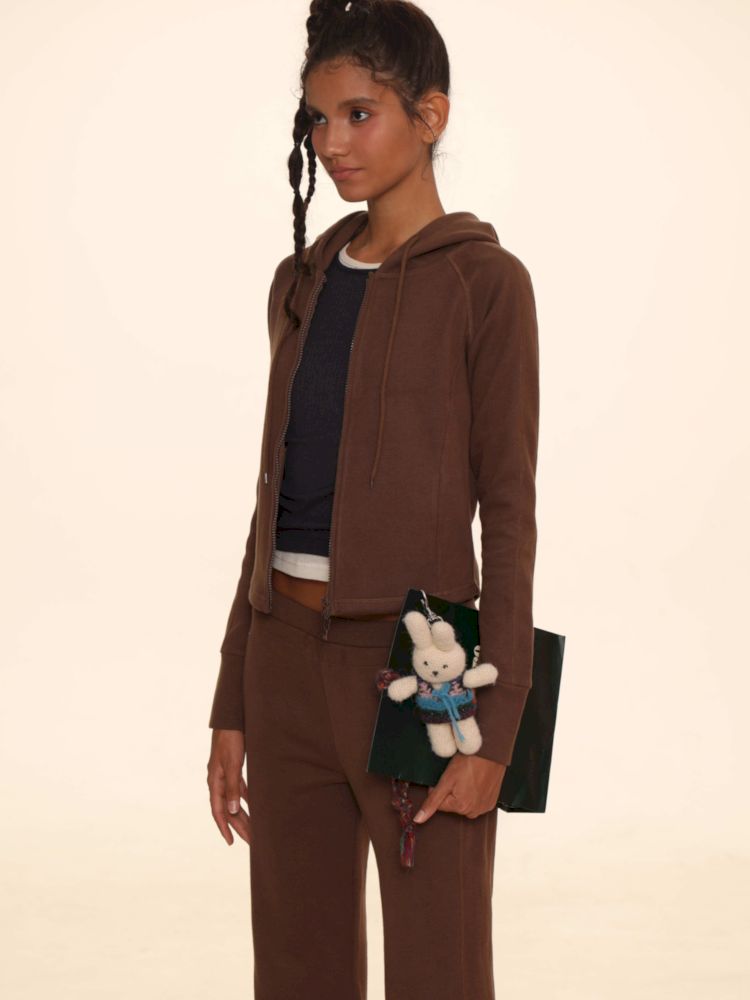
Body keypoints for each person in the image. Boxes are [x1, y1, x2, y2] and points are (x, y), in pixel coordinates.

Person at [206, 1, 540, 997]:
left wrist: (500, 729)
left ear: (430, 114)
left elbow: (509, 514)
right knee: (296, 970)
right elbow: (272, 499)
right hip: (282, 660)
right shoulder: (300, 282)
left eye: (360, 114)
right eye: (318, 119)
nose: (333, 143)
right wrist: (233, 697)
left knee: (440, 969)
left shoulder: (487, 284)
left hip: (424, 669)